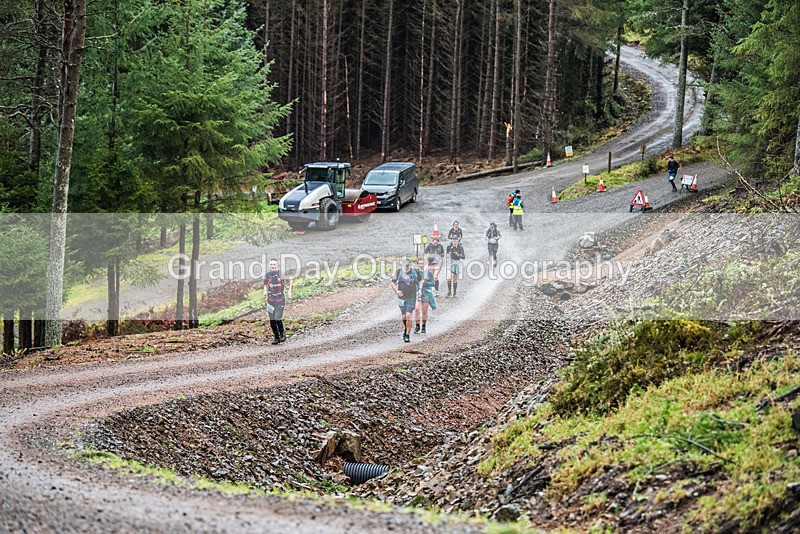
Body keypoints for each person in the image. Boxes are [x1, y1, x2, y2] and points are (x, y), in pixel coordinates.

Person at [391, 258, 423, 343]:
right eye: (404, 266)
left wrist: (419, 289)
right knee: (404, 317)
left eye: (407, 266)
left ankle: (407, 334)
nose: (406, 268)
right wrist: (397, 291)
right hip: (401, 297)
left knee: (409, 315)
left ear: (409, 265)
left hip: (411, 296)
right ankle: (406, 328)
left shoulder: (415, 272)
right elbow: (392, 282)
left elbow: (421, 281)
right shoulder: (399, 272)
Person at [263, 258, 292, 344]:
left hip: (280, 299)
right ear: (269, 266)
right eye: (271, 265)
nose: (273, 266)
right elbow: (265, 284)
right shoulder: (267, 275)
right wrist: (264, 291)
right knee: (272, 320)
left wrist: (289, 291)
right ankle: (276, 337)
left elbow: (290, 279)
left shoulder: (281, 273)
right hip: (270, 300)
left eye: (274, 265)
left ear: (277, 265)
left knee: (277, 318)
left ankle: (282, 334)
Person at [414, 258, 436, 334]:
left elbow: (433, 283)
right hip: (418, 293)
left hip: (426, 292)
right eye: (419, 263)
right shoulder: (415, 272)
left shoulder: (428, 272)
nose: (420, 265)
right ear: (417, 264)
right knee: (417, 309)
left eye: (422, 263)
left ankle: (423, 326)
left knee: (424, 311)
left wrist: (425, 282)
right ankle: (417, 326)